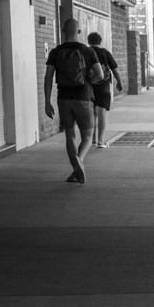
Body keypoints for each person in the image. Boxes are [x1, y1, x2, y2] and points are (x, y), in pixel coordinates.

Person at [44, 18, 104, 184]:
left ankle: (75, 170)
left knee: (70, 135)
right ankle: (79, 160)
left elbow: (48, 78)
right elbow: (100, 74)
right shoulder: (87, 51)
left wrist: (47, 102)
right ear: (79, 32)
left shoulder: (56, 52)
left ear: (63, 30)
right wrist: (87, 81)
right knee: (88, 136)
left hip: (64, 98)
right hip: (83, 98)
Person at [86, 32, 124, 148]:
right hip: (103, 86)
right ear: (100, 41)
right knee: (101, 113)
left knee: (91, 114)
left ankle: (91, 140)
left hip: (89, 86)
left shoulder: (85, 52)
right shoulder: (105, 53)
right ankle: (100, 141)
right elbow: (115, 70)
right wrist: (119, 82)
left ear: (88, 41)